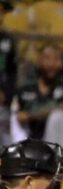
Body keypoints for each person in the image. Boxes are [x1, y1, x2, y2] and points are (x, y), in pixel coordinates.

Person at [13, 44, 63, 161]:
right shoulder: (25, 89)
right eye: (47, 58)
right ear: (38, 61)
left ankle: (55, 165)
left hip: (62, 153)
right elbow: (17, 118)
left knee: (59, 116)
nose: (51, 63)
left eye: (56, 59)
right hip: (32, 150)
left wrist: (31, 116)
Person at [0, 0, 17, 145]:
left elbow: (12, 72)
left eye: (2, 12)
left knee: (6, 139)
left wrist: (8, 95)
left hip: (3, 101)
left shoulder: (8, 40)